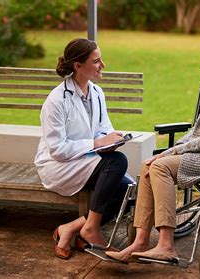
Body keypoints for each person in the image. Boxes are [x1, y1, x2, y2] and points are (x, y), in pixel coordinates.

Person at [106, 37, 200, 263]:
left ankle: (166, 246)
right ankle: (140, 241)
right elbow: (199, 129)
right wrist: (175, 148)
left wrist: (172, 153)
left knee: (159, 167)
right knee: (149, 165)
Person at [34, 38, 132, 260]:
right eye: (96, 61)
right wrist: (96, 144)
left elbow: (103, 129)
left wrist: (111, 140)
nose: (102, 65)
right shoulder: (57, 100)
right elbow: (57, 149)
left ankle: (70, 228)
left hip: (86, 161)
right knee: (117, 162)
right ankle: (91, 230)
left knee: (129, 190)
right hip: (57, 165)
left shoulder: (96, 93)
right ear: (78, 66)